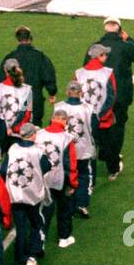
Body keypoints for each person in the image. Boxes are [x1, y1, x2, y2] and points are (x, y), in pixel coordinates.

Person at [85, 16, 134, 162]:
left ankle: (102, 150)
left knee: (98, 122)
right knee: (118, 125)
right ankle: (114, 155)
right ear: (119, 29)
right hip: (120, 94)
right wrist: (129, 39)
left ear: (105, 28)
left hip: (98, 94)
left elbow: (86, 68)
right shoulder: (125, 45)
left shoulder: (95, 47)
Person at [5, 122, 52, 265]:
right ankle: (32, 255)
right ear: (33, 135)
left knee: (20, 228)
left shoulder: (12, 149)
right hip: (33, 195)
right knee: (37, 224)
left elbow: (4, 169)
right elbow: (47, 166)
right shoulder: (38, 150)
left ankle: (21, 263)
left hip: (15, 194)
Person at [0, 26, 57, 126]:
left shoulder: (10, 57)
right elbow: (48, 75)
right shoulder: (39, 56)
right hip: (34, 99)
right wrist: (52, 92)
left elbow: (0, 82)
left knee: (12, 129)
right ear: (30, 38)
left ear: (17, 39)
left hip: (13, 101)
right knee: (33, 130)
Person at [76, 43, 121, 181]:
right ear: (98, 56)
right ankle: (113, 171)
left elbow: (76, 95)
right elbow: (111, 96)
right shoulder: (107, 72)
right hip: (103, 120)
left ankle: (86, 176)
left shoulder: (79, 73)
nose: (106, 56)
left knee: (85, 147)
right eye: (104, 54)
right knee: (108, 146)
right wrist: (103, 115)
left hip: (83, 119)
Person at [36, 105, 79, 249]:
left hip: (41, 178)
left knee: (44, 209)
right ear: (65, 121)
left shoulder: (39, 134)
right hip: (60, 179)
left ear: (52, 119)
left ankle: (41, 237)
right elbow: (71, 163)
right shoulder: (67, 138)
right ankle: (63, 237)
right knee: (64, 209)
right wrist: (72, 183)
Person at [59, 80, 97, 218]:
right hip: (84, 149)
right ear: (81, 93)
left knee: (66, 176)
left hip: (64, 150)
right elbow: (95, 128)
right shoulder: (89, 108)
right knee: (83, 175)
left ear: (67, 91)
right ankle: (81, 204)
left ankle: (68, 204)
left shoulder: (59, 108)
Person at [0, 59, 34, 142]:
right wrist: (15, 127)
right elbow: (27, 113)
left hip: (2, 130)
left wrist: (7, 128)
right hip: (21, 130)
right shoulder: (27, 90)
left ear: (5, 69)